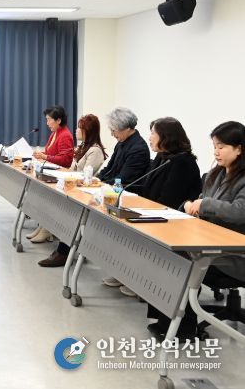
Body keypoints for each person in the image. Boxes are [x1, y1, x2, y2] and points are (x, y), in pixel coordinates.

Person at [147, 121, 245, 340]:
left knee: (180, 262)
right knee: (168, 254)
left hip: (235, 254)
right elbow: (202, 201)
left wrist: (204, 205)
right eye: (215, 146)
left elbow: (239, 212)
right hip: (209, 243)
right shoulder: (216, 174)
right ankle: (169, 320)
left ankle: (183, 328)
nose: (216, 151)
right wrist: (191, 206)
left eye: (222, 147)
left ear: (239, 149)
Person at [102, 118, 201, 295]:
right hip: (156, 212)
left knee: (132, 230)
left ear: (166, 136)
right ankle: (125, 273)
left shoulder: (183, 162)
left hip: (174, 222)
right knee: (120, 226)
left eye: (153, 133)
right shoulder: (162, 157)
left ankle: (139, 278)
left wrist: (141, 210)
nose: (149, 137)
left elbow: (169, 200)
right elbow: (147, 186)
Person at [36, 114, 108, 265]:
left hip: (85, 193)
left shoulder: (95, 151)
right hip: (75, 188)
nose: (76, 130)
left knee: (67, 211)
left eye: (80, 128)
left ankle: (63, 251)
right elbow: (72, 169)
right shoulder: (83, 147)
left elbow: (85, 175)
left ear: (89, 130)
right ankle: (52, 235)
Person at [28, 106, 75, 243]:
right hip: (50, 173)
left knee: (47, 199)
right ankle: (43, 226)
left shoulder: (65, 135)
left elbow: (66, 160)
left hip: (59, 176)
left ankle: (47, 229)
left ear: (58, 120)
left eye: (49, 120)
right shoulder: (55, 133)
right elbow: (50, 153)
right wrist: (41, 155)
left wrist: (45, 157)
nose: (47, 123)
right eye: (46, 120)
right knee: (41, 197)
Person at [95, 107, 150, 187]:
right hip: (110, 185)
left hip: (123, 190)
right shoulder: (121, 142)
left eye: (113, 130)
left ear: (127, 128)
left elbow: (123, 179)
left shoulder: (138, 149)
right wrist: (96, 179)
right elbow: (109, 168)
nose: (112, 134)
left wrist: (101, 184)